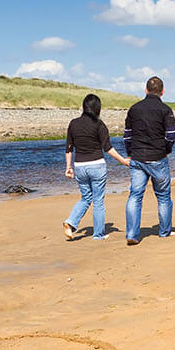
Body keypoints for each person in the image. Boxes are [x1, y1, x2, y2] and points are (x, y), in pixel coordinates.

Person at [62, 93, 129, 240]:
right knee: (98, 200)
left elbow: (68, 148)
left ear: (84, 107)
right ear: (97, 108)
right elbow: (108, 148)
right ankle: (98, 234)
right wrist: (123, 160)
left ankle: (70, 222)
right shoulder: (99, 124)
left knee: (86, 198)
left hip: (79, 165)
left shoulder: (73, 123)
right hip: (97, 165)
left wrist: (68, 167)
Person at [122, 75, 175, 245]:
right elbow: (170, 136)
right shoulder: (165, 110)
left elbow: (127, 135)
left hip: (138, 157)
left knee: (135, 195)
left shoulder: (134, 109)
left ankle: (132, 234)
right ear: (162, 92)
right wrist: (167, 150)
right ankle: (164, 232)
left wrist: (130, 153)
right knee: (163, 197)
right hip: (157, 157)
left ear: (146, 90)